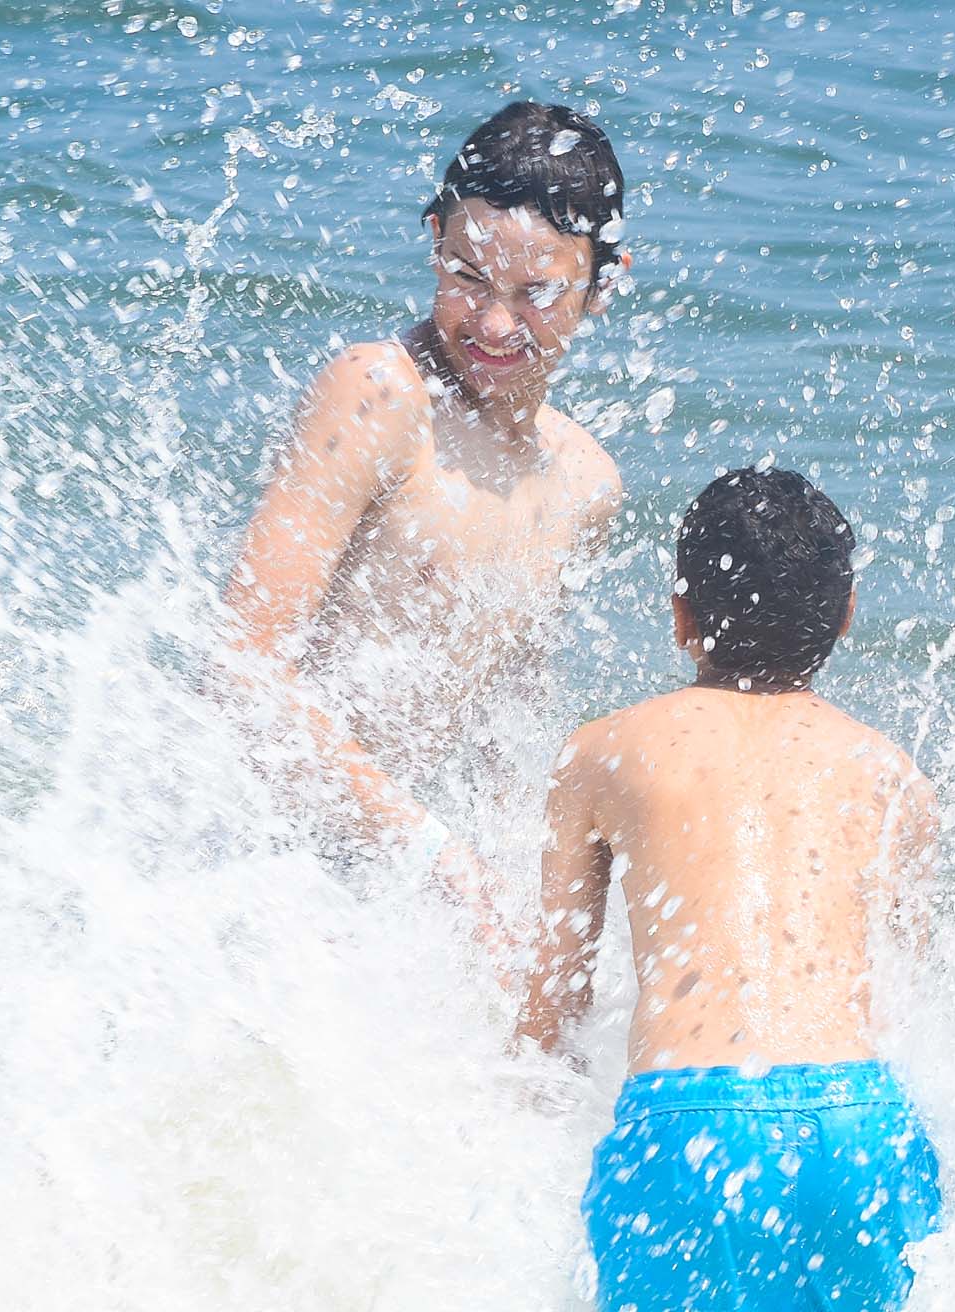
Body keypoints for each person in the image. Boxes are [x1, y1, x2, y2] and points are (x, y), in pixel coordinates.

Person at [516, 467, 944, 1311]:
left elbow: (554, 1003)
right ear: (846, 617)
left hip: (689, 1130)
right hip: (863, 1124)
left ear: (681, 614)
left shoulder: (603, 752)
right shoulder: (893, 776)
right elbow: (900, 999)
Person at [220, 101, 627, 893]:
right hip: (245, 847)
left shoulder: (586, 484)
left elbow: (507, 715)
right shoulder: (377, 397)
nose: (495, 324)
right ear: (434, 238)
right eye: (466, 277)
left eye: (536, 291)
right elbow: (243, 668)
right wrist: (437, 856)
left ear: (602, 282)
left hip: (372, 867)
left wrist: (519, 881)